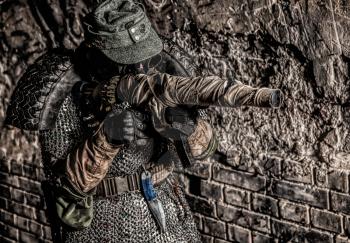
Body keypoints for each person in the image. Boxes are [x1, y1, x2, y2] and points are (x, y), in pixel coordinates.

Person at [6, 0, 283, 242]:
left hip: (167, 213)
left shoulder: (158, 75)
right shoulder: (63, 91)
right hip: (104, 225)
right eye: (125, 59)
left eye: (141, 56)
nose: (139, 67)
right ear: (96, 54)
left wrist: (189, 128)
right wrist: (105, 140)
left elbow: (205, 149)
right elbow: (65, 189)